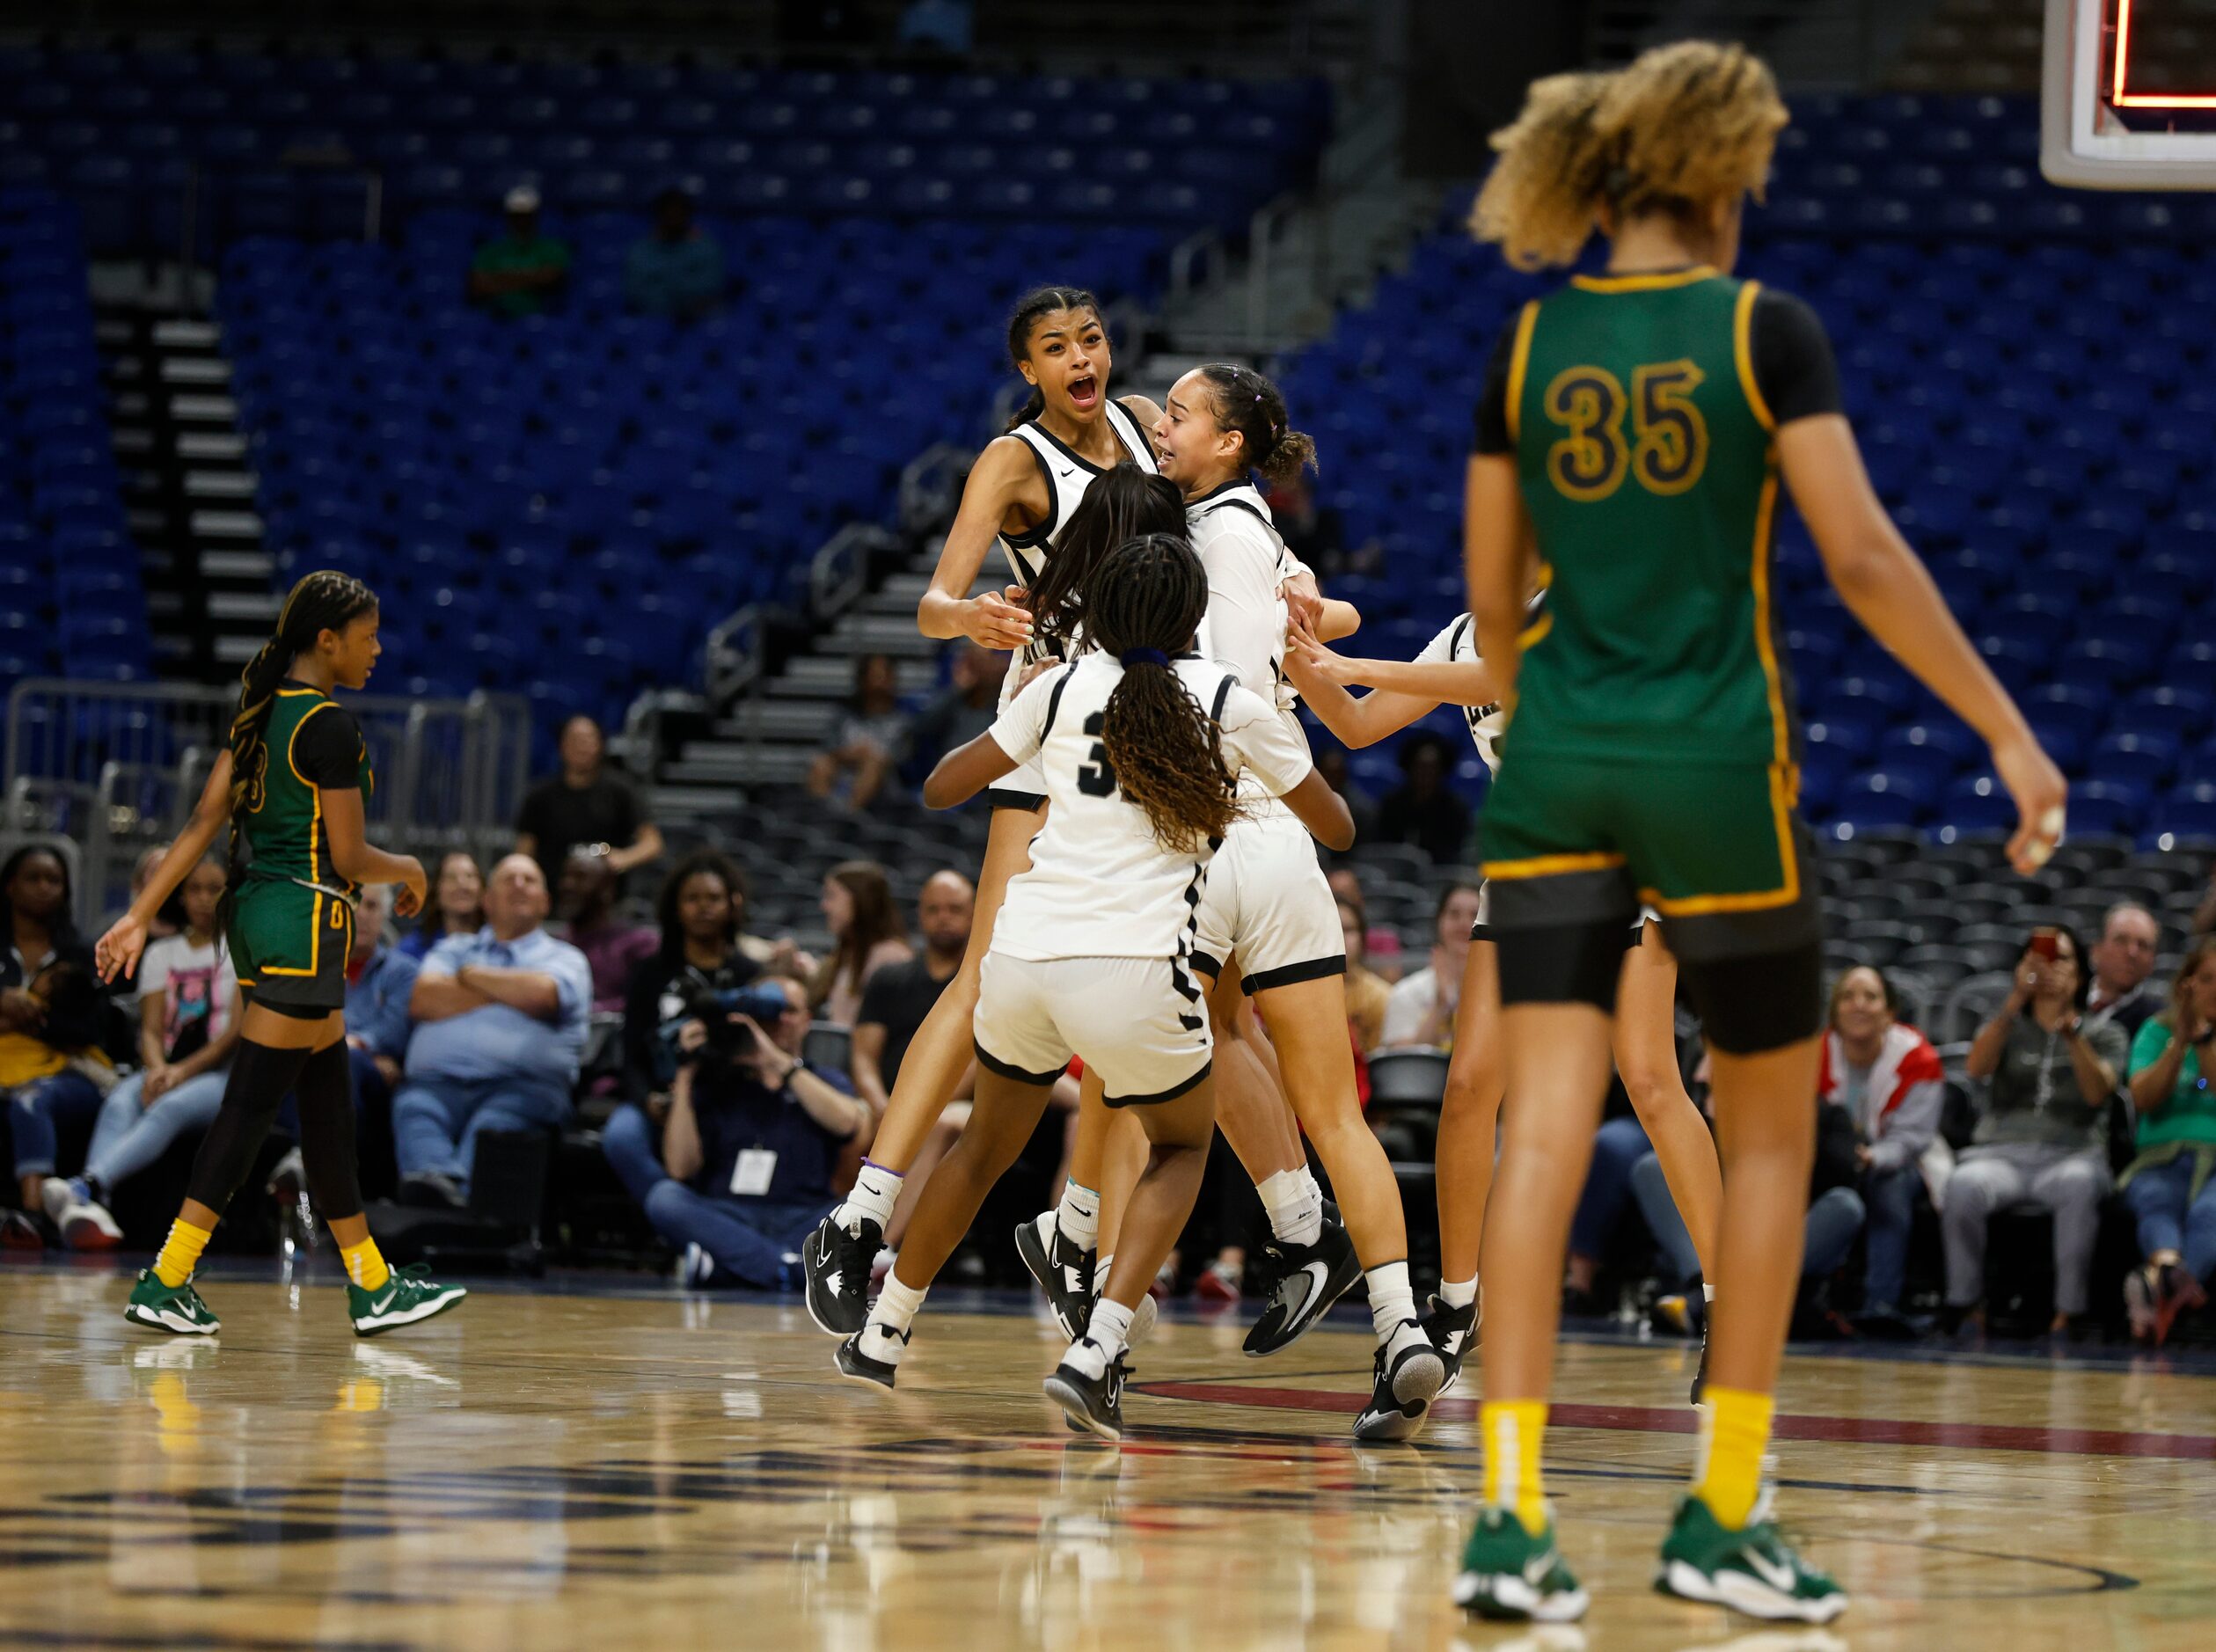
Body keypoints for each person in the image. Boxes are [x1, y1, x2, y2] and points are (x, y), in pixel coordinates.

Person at [1450, 42, 2063, 1623]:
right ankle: (1719, 1509)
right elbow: (1856, 555)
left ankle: (1510, 1526)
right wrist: (1999, 727)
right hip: (1711, 764)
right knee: (1770, 1133)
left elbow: (1490, 602)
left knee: (1537, 1135)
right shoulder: (1757, 329)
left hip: (1555, 763)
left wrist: (1558, 722)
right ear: (1721, 173)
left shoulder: (1524, 344)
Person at [837, 535, 1355, 1443]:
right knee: (1180, 1147)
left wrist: (1031, 710)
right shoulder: (1226, 699)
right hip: (1133, 968)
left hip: (1023, 955)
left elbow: (937, 787)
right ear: (1193, 618)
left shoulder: (1058, 689)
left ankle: (883, 1330)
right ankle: (1096, 1351)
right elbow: (1337, 827)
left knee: (982, 1148)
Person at [800, 288, 1168, 1333]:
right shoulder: (1013, 461)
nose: (1080, 357)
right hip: (1054, 721)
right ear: (1028, 371)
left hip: (1151, 727)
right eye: (1055, 348)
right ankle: (863, 1213)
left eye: (1090, 337)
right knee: (984, 974)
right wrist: (965, 615)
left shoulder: (1143, 424)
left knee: (1135, 993)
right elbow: (930, 601)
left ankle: (1078, 1232)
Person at [1288, 608, 1726, 1404]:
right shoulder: (1454, 633)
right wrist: (1296, 664)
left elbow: (1508, 682)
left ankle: (1728, 1308)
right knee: (1467, 1087)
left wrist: (1357, 663)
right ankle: (1458, 1304)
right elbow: (1354, 728)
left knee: (1651, 1081)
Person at [94, 569, 466, 1338]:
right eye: (367, 637)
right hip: (305, 921)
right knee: (251, 1105)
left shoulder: (257, 715)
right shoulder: (327, 726)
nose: (378, 648)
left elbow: (200, 824)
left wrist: (137, 916)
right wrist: (414, 869)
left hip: (259, 918)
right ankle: (167, 1276)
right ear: (327, 641)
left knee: (328, 1103)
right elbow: (353, 855)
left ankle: (370, 1283)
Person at [44, 854, 241, 1249]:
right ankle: (94, 1205)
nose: (203, 899)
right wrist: (156, 1070)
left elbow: (230, 1037)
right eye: (194, 889)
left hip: (220, 1076)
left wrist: (177, 1075)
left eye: (214, 889)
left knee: (169, 1107)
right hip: (162, 1068)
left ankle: (88, 1186)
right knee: (119, 1101)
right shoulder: (160, 953)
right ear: (180, 896)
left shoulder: (241, 950)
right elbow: (150, 1029)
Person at [1946, 926, 2124, 1337]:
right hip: (2002, 1154)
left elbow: (2098, 1093)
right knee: (1963, 1184)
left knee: (2079, 1186)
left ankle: (2068, 1314)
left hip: (2071, 1154)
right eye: (2040, 958)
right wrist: (2015, 1001)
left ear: (2079, 976)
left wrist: (2070, 1032)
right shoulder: (2009, 1024)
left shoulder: (2104, 1032)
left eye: (2061, 959)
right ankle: (1966, 1305)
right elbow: (1976, 1068)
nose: (2049, 968)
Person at [649, 974, 869, 1290]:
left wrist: (777, 1063)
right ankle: (789, 1269)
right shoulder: (718, 1079)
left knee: (862, 1205)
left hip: (803, 1217)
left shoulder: (824, 1079)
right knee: (664, 1197)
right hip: (728, 1214)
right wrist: (685, 1071)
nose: (779, 1020)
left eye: (789, 1011)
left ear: (807, 1020)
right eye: (769, 1012)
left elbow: (849, 1123)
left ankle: (726, 1268)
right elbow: (680, 1167)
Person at [395, 855, 591, 1209]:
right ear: (487, 901)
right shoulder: (452, 948)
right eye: (508, 879)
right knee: (414, 1108)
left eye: (529, 880)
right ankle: (441, 1189)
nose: (518, 885)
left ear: (546, 903)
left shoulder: (567, 958)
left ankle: (449, 1198)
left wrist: (470, 976)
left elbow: (543, 997)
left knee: (494, 1123)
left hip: (522, 1087)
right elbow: (424, 999)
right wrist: (510, 992)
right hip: (436, 1085)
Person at [606, 852, 759, 1210]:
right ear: (675, 908)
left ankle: (699, 1221)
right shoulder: (650, 973)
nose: (703, 908)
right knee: (620, 1136)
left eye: (713, 898)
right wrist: (647, 1099)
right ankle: (676, 1214)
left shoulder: (747, 974)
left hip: (726, 1096)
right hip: (659, 1093)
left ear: (732, 905)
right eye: (692, 899)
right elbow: (632, 1052)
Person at [1811, 965, 1944, 1335]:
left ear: (1889, 1012)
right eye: (1848, 996)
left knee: (1888, 1182)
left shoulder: (1919, 1058)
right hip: (1833, 1160)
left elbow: (1913, 1137)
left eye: (1871, 997)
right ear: (1835, 1010)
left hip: (1905, 1159)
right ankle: (1811, 1298)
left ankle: (1880, 1302)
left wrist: (1874, 1157)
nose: (1859, 1005)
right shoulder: (1815, 1053)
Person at [2, 844, 113, 1232]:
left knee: (30, 1100)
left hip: (71, 1072)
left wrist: (36, 1015)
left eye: (54, 880)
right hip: (7, 1063)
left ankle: (33, 1216)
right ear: (10, 886)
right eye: (34, 878)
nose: (44, 887)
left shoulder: (79, 954)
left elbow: (91, 1030)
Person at [2119, 938, 2216, 1344]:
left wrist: (2203, 1040)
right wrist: (2179, 1041)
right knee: (2155, 1199)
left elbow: (2211, 1084)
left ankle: (2154, 1284)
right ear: (2186, 984)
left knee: (2210, 1213)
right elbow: (2144, 1098)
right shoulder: (2155, 1032)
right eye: (2208, 978)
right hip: (2158, 1158)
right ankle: (2170, 1281)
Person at [515, 715, 663, 889]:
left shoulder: (621, 791)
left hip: (607, 895)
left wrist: (623, 858)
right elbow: (524, 852)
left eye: (588, 740)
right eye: (575, 740)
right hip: (553, 894)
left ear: (600, 745)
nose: (582, 747)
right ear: (561, 746)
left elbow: (653, 843)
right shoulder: (539, 796)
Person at [809, 861, 911, 1029]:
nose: (824, 906)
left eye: (831, 896)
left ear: (859, 900)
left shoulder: (893, 958)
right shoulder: (847, 953)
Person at [1380, 883, 1482, 1049]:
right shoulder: (1405, 993)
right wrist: (1440, 1005)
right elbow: (1402, 1066)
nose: (1465, 924)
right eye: (1454, 914)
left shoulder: (1501, 993)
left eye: (1475, 915)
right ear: (1438, 922)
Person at [559, 846, 657, 1012]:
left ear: (607, 888)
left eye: (580, 877)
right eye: (566, 876)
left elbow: (646, 1001)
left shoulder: (638, 944)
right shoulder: (555, 946)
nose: (567, 885)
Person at [808, 654, 910, 812]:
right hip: (845, 774)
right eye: (875, 677)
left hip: (884, 784)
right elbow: (829, 748)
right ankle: (820, 817)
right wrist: (851, 754)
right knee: (820, 763)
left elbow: (901, 757)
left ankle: (848, 817)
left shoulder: (902, 720)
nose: (880, 683)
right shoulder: (845, 715)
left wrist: (870, 756)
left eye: (884, 676)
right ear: (862, 680)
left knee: (872, 765)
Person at [468, 185, 569, 318]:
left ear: (535, 216)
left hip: (542, 317)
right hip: (496, 319)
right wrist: (533, 278)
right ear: (508, 216)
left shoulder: (553, 248)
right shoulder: (490, 251)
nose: (521, 221)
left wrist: (498, 278)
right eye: (516, 215)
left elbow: (551, 279)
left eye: (526, 215)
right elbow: (478, 286)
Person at [623, 186, 724, 321]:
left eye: (679, 214)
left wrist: (667, 288)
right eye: (668, 214)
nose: (673, 220)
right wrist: (673, 300)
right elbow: (635, 290)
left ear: (688, 216)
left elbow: (711, 285)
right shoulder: (640, 251)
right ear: (658, 216)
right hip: (652, 317)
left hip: (698, 316)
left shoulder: (705, 247)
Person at [1376, 733, 1471, 865]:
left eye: (1432, 768)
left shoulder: (1456, 808)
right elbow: (1380, 848)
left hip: (1440, 877)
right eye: (1420, 767)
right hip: (1394, 876)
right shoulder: (1391, 804)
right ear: (1410, 767)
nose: (1425, 774)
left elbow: (1458, 853)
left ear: (1441, 770)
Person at [909, 642, 1003, 770]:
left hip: (991, 780)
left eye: (983, 663)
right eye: (973, 665)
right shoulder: (952, 703)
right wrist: (957, 689)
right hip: (952, 777)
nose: (979, 671)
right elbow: (919, 728)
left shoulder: (1001, 703)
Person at [2086, 902, 2162, 1041]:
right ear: (2096, 950)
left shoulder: (2158, 1021)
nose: (2132, 952)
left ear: (2153, 961)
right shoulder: (2067, 1001)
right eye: (2121, 940)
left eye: (2143, 945)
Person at [399, 852, 484, 961]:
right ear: (436, 892)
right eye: (451, 878)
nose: (462, 884)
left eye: (470, 876)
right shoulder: (411, 950)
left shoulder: (500, 944)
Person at [1340, 898, 1390, 1056]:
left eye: (1347, 929)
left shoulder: (1381, 996)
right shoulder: (1297, 994)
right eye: (1331, 928)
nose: (1339, 936)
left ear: (1362, 938)